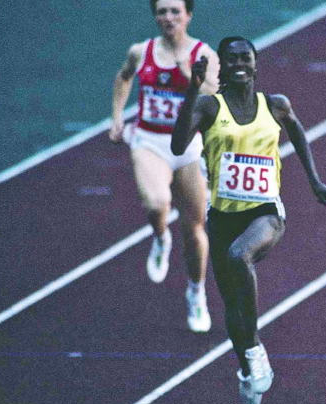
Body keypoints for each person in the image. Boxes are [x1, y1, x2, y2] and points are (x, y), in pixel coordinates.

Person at [172, 37, 326, 404]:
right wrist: (193, 90)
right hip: (223, 215)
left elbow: (296, 132)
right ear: (222, 68)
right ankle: (246, 365)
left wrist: (313, 181)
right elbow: (179, 146)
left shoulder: (274, 105)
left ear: (257, 64)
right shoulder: (209, 106)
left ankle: (256, 346)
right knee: (231, 305)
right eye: (231, 60)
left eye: (246, 58)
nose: (239, 64)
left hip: (266, 212)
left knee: (238, 255)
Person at [109, 0, 220, 333]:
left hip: (189, 145)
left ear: (188, 15)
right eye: (162, 11)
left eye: (175, 11)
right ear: (154, 16)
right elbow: (124, 78)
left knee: (195, 229)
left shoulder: (204, 54)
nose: (168, 17)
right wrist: (117, 118)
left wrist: (192, 79)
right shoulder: (140, 51)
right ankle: (160, 238)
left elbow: (217, 98)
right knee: (157, 204)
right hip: (150, 141)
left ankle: (196, 292)